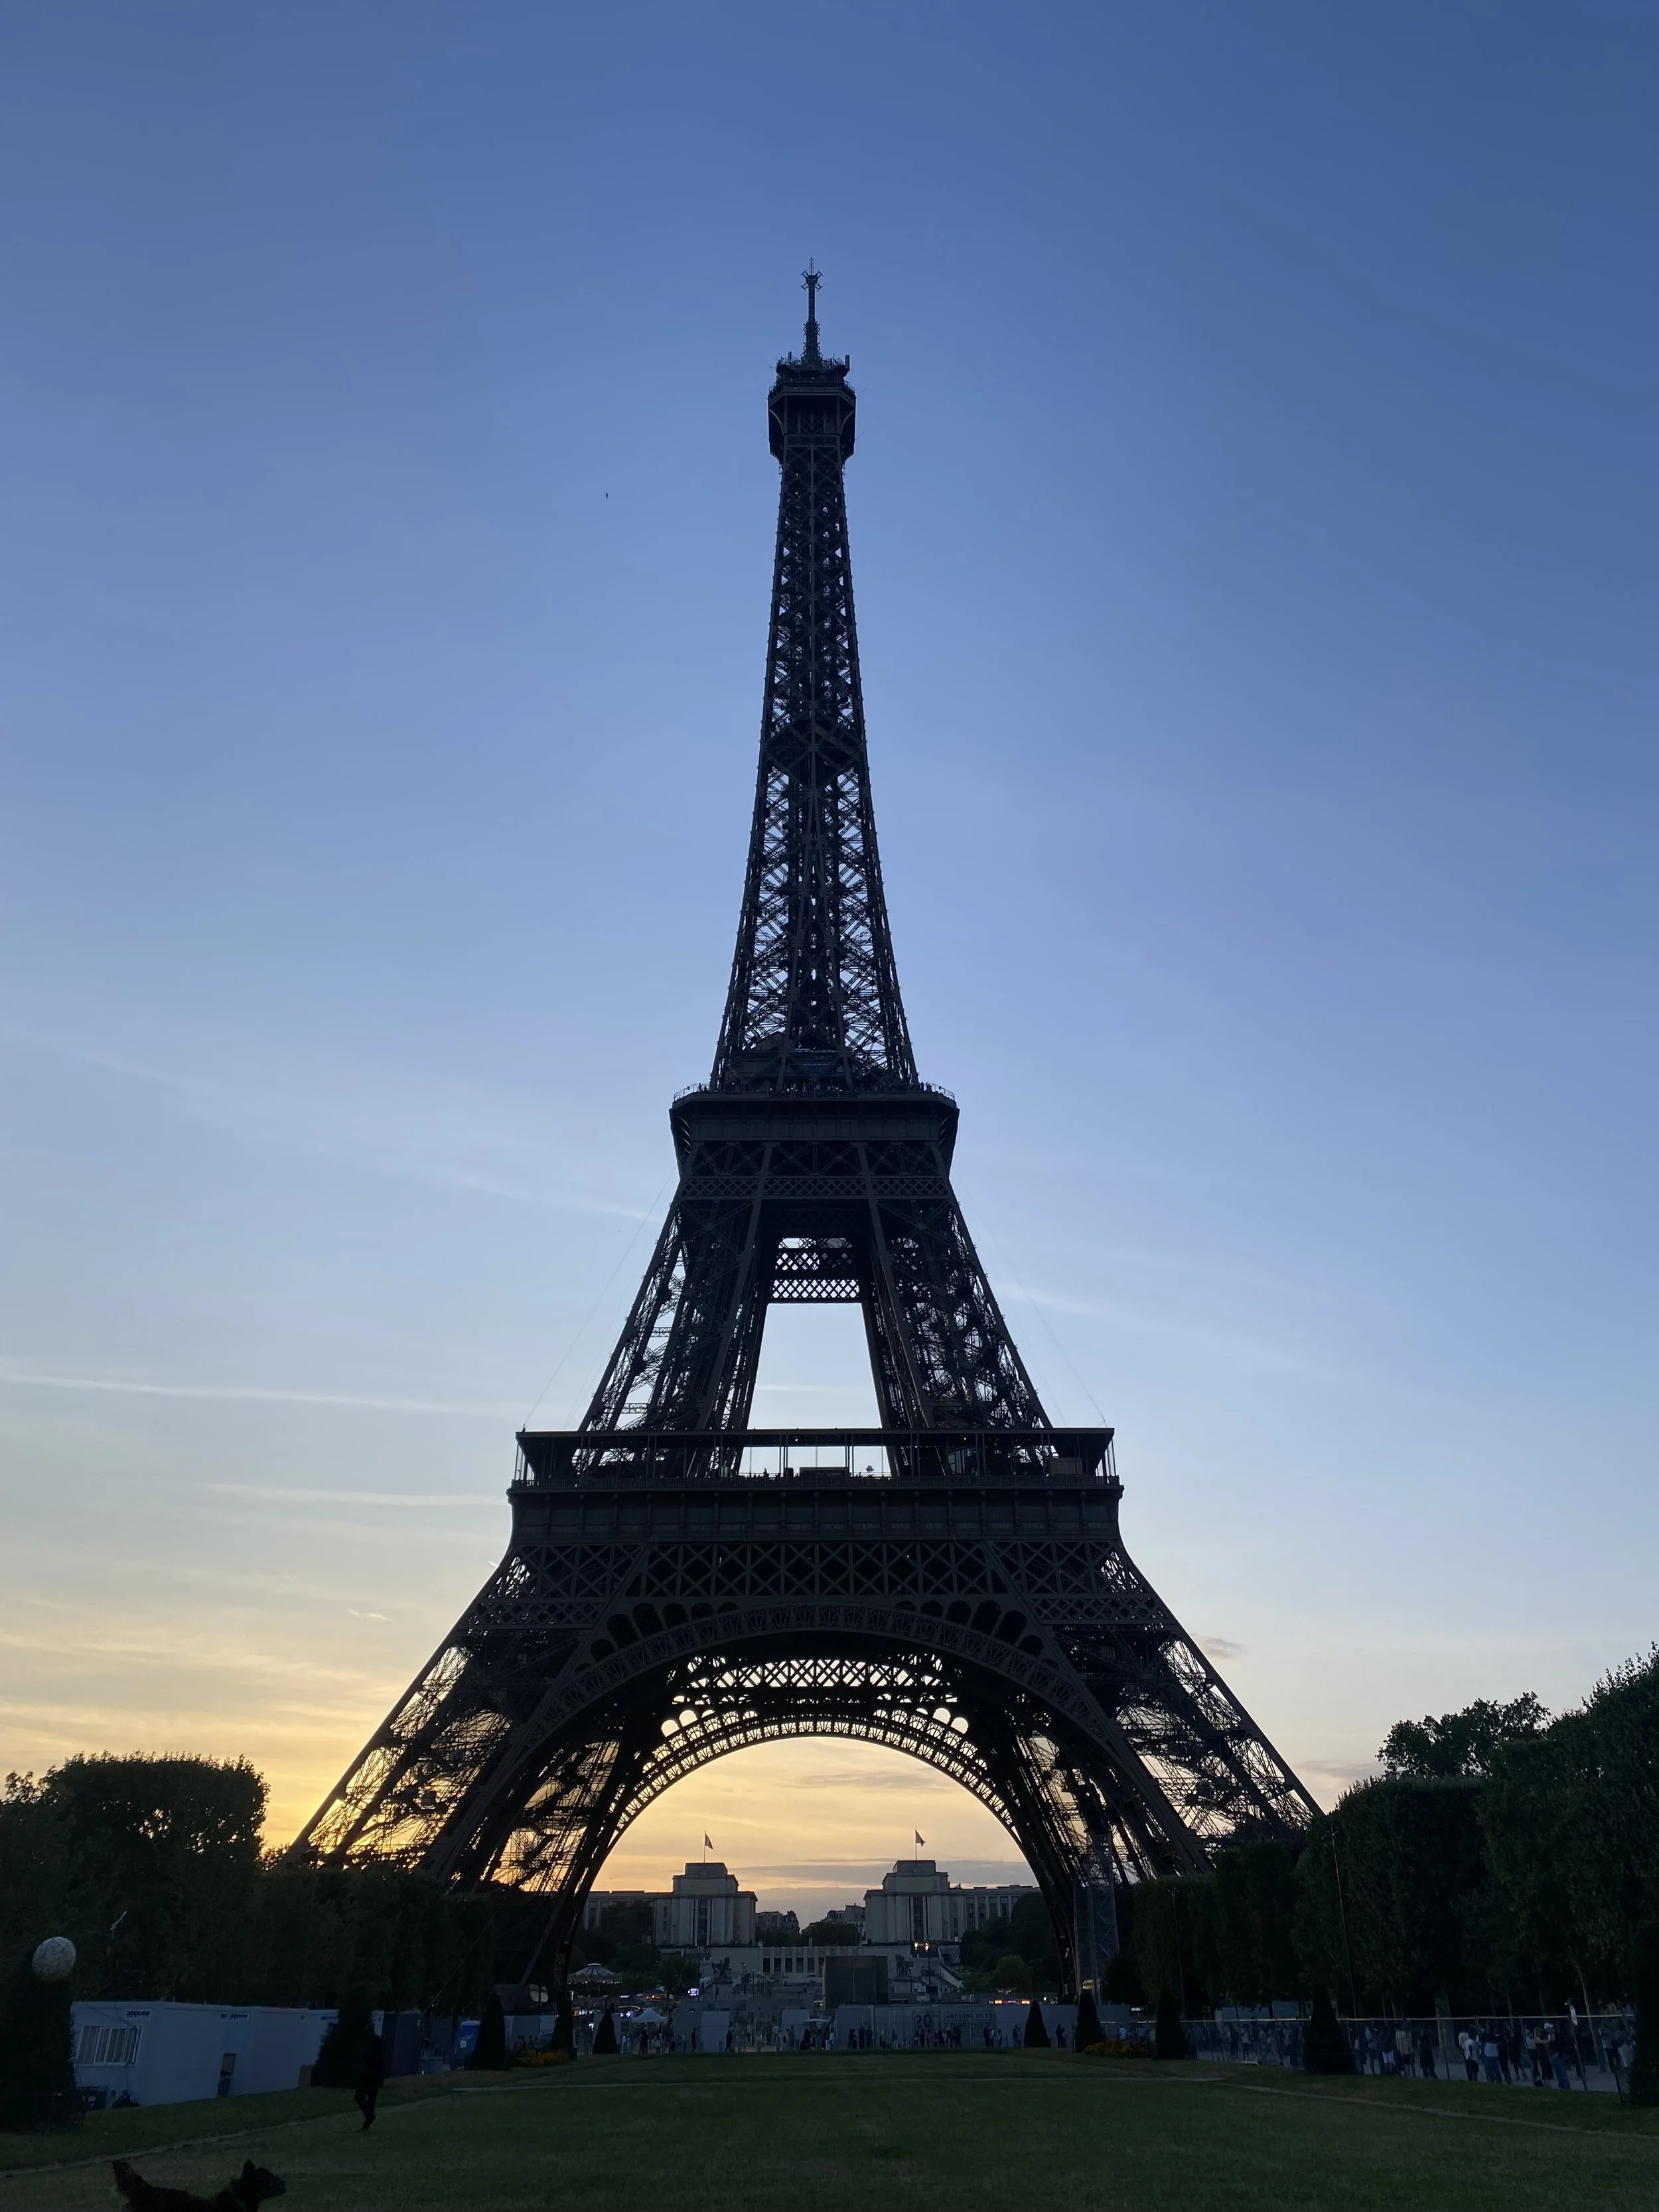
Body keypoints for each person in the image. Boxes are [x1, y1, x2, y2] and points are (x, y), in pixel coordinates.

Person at [354, 2022, 386, 2132]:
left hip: (370, 2075)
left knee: (362, 2097)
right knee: (368, 2099)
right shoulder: (376, 2042)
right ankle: (369, 2117)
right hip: (372, 2076)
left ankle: (369, 2118)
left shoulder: (368, 2043)